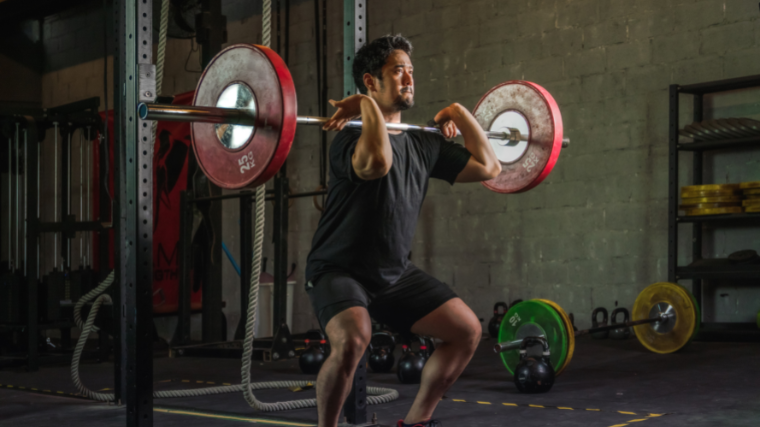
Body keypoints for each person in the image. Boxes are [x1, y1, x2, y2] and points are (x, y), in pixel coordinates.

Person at [304, 34, 501, 427]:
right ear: (371, 81)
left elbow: (489, 168)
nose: (409, 79)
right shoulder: (348, 137)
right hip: (338, 270)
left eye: (411, 71)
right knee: (352, 341)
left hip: (392, 274)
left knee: (466, 331)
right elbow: (377, 163)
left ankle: (415, 422)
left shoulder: (423, 144)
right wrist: (362, 107)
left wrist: (459, 113)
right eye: (398, 71)